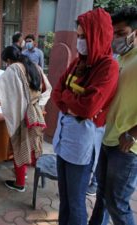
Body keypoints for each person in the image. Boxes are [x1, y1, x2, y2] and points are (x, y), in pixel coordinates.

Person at [52, 8, 119, 225]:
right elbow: (56, 92)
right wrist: (72, 103)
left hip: (82, 144)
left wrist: (68, 100)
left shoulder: (108, 67)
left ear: (97, 36)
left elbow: (89, 107)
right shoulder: (79, 62)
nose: (80, 41)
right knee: (64, 198)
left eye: (84, 37)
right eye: (78, 36)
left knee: (76, 201)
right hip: (65, 138)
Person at [89, 6, 137, 225]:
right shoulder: (120, 58)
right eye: (114, 33)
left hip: (126, 147)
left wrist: (133, 134)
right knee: (102, 194)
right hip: (107, 138)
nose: (116, 38)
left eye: (122, 33)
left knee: (117, 203)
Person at [0, 46, 46, 192]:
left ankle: (20, 182)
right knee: (32, 143)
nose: (6, 65)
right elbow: (47, 87)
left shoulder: (13, 69)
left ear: (8, 60)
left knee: (19, 147)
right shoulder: (34, 66)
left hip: (22, 114)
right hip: (36, 112)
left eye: (6, 62)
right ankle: (32, 172)